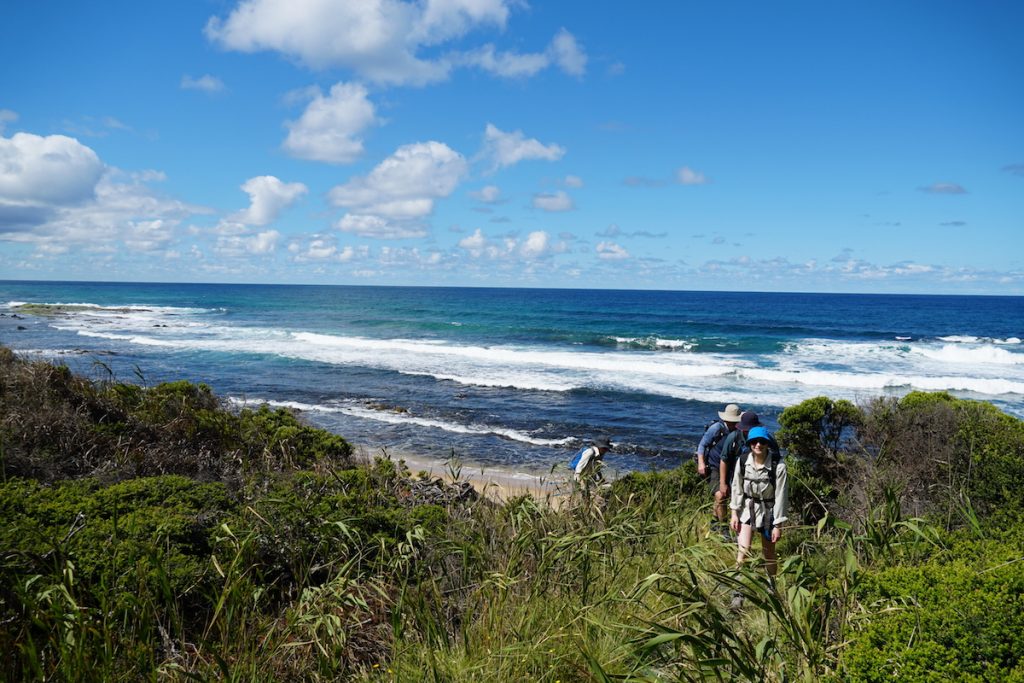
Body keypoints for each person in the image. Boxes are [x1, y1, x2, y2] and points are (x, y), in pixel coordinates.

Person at [729, 426, 789, 608]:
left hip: (769, 512)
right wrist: (734, 512)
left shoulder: (778, 466)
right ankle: (737, 594)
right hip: (748, 510)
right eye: (754, 442)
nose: (758, 445)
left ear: (768, 444)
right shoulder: (742, 461)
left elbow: (781, 497)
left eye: (762, 442)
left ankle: (772, 589)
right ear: (749, 444)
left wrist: (778, 524)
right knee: (743, 551)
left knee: (769, 553)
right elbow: (736, 487)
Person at [718, 411, 782, 511]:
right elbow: (724, 460)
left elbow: (776, 458)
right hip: (738, 474)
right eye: (747, 430)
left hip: (761, 477)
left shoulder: (766, 438)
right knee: (734, 500)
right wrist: (723, 483)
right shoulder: (733, 437)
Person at [695, 403, 742, 539]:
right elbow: (702, 445)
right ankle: (723, 529)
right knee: (721, 496)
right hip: (714, 465)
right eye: (731, 421)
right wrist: (701, 463)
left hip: (731, 467)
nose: (733, 424)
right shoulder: (717, 428)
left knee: (726, 496)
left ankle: (714, 523)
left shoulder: (739, 431)